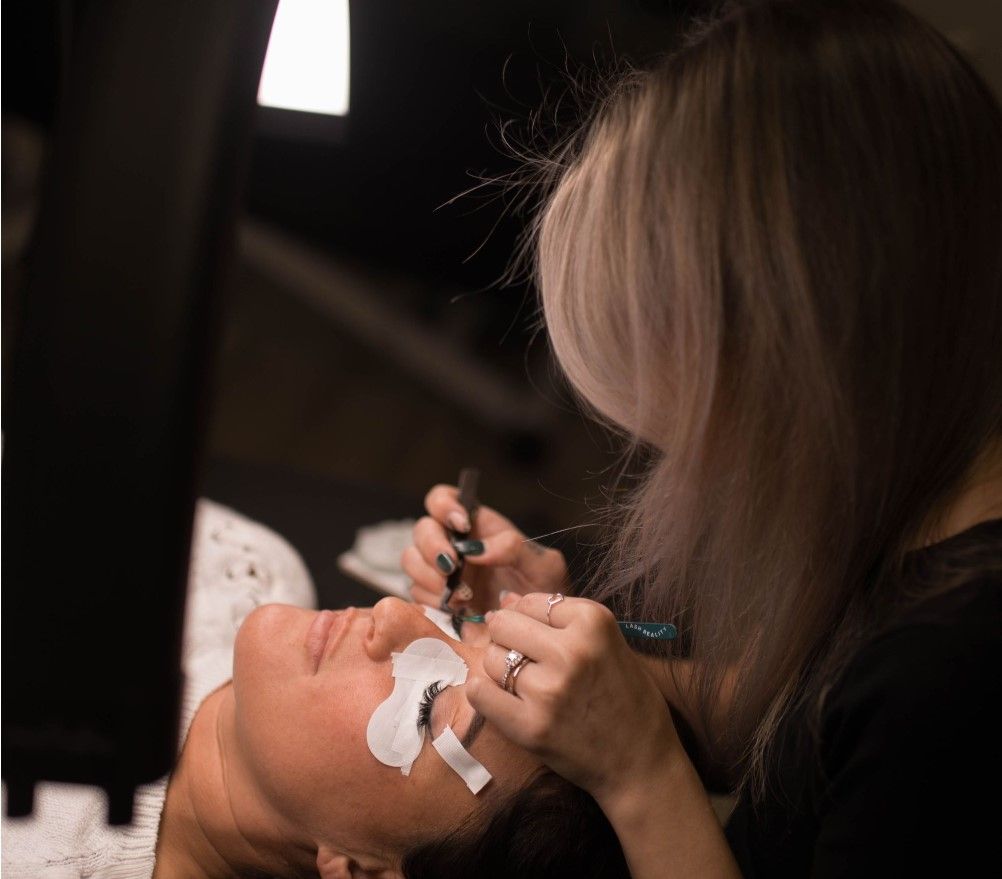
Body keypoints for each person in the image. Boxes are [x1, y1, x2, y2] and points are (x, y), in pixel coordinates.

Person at [404, 0, 1002, 875]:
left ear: (802, 373)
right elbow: (800, 736)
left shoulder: (957, 672)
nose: (680, 470)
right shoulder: (918, 515)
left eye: (686, 427)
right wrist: (581, 647)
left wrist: (639, 773)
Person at [3, 501, 629, 879]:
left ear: (360, 870)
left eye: (427, 702)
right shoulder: (246, 572)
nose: (393, 613)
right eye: (461, 628)